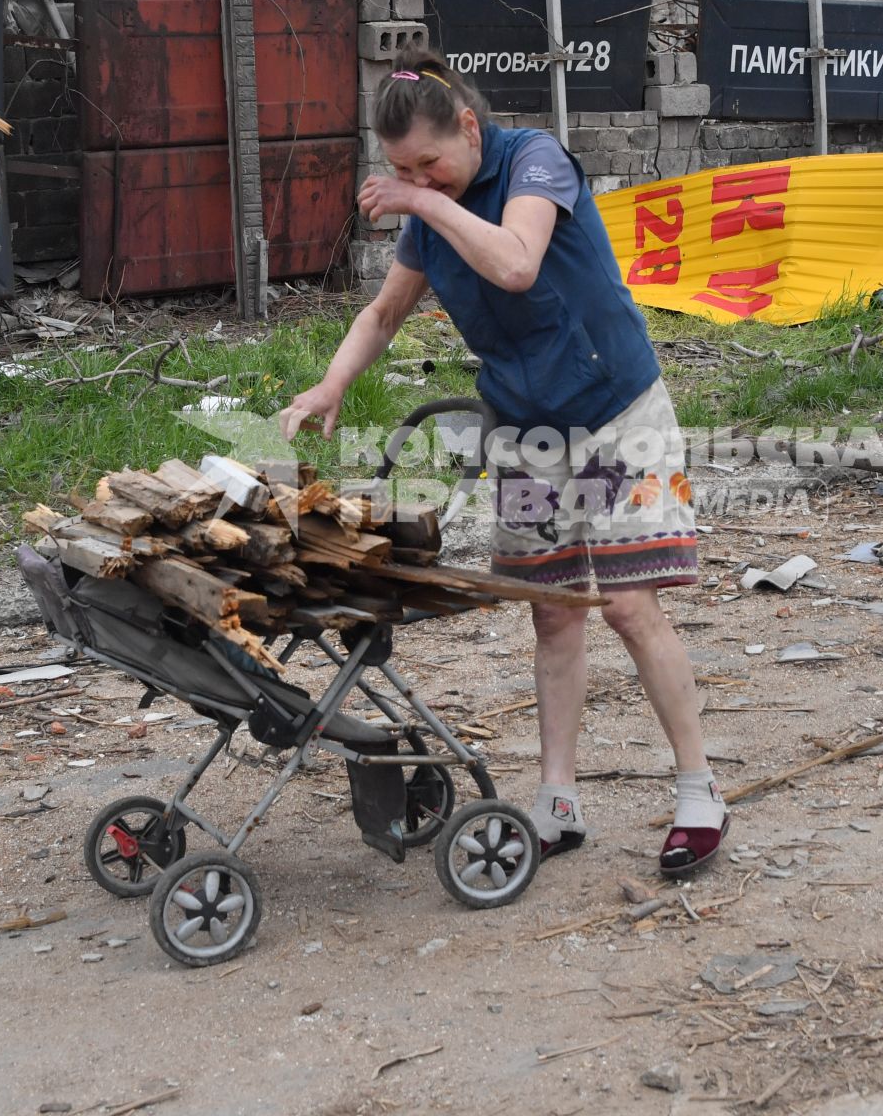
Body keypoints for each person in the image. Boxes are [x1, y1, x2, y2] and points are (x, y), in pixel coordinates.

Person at [278, 47, 728, 877]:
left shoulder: (535, 161)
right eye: (402, 169)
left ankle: (699, 791)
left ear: (470, 128)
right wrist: (330, 384)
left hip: (617, 417)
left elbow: (516, 265)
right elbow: (383, 313)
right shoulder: (432, 210)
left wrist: (419, 199)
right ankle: (558, 800)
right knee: (553, 610)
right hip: (527, 431)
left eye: (429, 161)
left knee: (630, 607)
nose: (419, 179)